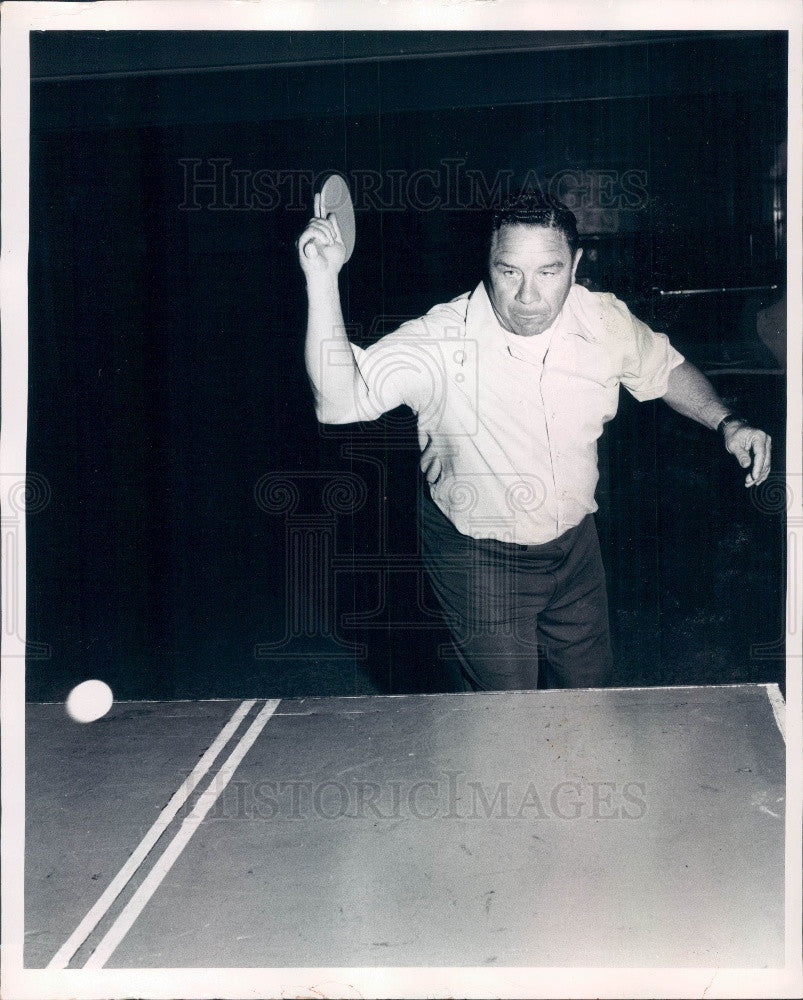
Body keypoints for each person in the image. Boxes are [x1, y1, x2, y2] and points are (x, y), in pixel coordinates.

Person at [297, 189, 772, 691]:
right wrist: (322, 279)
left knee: (594, 695)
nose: (527, 297)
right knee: (509, 714)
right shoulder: (439, 340)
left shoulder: (604, 320)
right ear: (488, 262)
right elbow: (338, 402)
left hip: (574, 545)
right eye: (509, 271)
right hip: (480, 556)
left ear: (575, 265)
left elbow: (665, 368)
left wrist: (726, 421)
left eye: (548, 271)